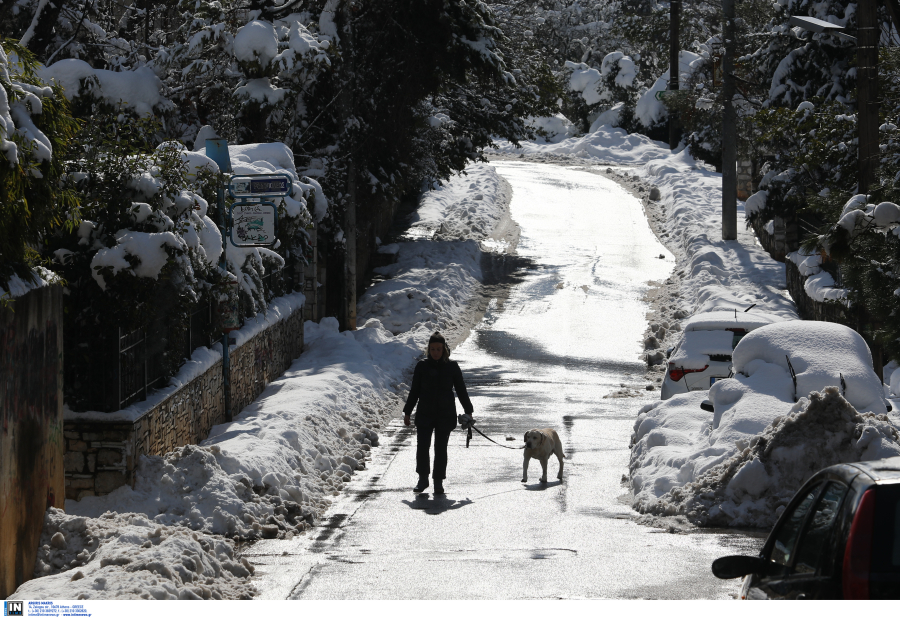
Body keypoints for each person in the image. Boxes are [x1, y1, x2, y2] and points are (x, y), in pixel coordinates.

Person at [403, 331, 474, 494]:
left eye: (438, 349)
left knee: (440, 448)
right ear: (428, 349)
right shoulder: (422, 366)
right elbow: (414, 391)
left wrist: (468, 411)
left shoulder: (452, 367)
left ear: (444, 350)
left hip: (445, 414)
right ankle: (422, 479)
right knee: (422, 447)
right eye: (433, 349)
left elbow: (461, 390)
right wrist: (407, 411)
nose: (435, 352)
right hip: (424, 414)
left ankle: (438, 481)